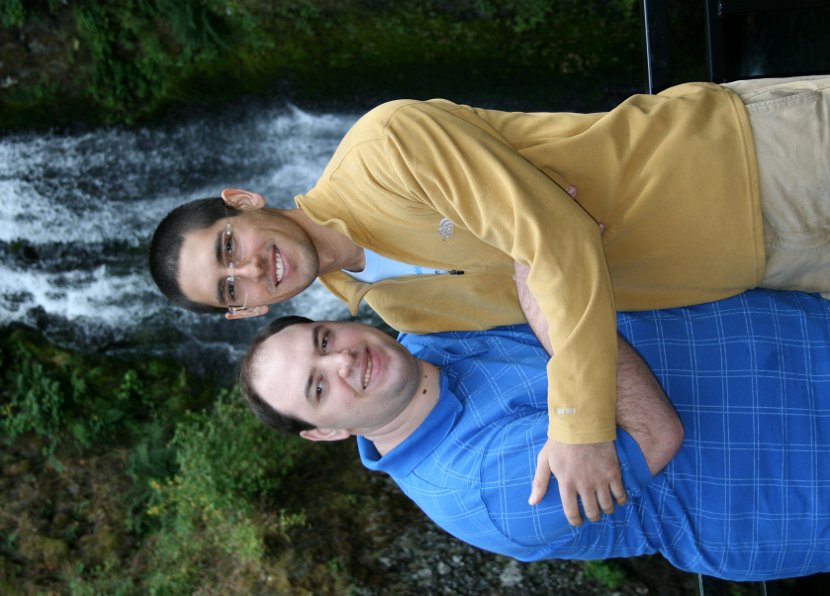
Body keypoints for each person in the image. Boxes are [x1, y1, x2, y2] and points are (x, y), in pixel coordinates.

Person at [150, 75, 830, 525]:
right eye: (230, 287)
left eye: (228, 245)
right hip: (755, 265)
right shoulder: (401, 314)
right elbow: (550, 295)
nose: (252, 268)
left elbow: (558, 244)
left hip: (747, 159)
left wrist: (578, 423)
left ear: (241, 202)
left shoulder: (382, 150)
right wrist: (546, 247)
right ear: (243, 312)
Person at [237, 288, 830, 581]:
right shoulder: (480, 489)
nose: (341, 363)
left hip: (802, 330)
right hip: (791, 470)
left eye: (322, 341)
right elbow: (653, 435)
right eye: (318, 389)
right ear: (328, 431)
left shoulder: (427, 328)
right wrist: (556, 317)